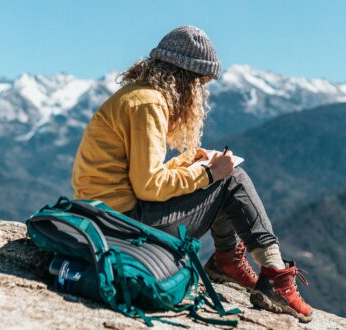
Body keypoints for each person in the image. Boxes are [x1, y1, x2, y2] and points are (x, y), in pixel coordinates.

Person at [71, 25, 312, 323]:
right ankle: (275, 276)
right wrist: (209, 176)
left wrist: (187, 164)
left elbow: (135, 175)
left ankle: (227, 261)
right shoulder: (149, 104)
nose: (200, 92)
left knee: (223, 175)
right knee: (231, 179)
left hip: (105, 217)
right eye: (200, 84)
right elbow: (148, 187)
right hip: (123, 225)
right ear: (185, 79)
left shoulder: (136, 96)